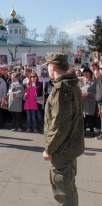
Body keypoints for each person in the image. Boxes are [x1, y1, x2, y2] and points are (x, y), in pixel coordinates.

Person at [42, 53, 84, 205]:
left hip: (63, 149)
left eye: (48, 66)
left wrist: (49, 148)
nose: (47, 69)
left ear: (52, 66)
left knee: (63, 192)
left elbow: (60, 124)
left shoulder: (62, 89)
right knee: (69, 187)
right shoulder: (72, 85)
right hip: (70, 146)